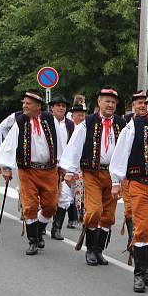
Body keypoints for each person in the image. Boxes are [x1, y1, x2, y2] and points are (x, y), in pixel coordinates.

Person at [110, 84, 148, 293]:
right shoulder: (134, 126)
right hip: (140, 184)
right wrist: (116, 182)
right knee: (143, 228)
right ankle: (138, 274)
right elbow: (120, 154)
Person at [0, 89, 66, 255]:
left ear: (38, 106)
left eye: (28, 103)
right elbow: (9, 145)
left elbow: (60, 142)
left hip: (49, 170)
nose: (24, 106)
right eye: (24, 103)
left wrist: (62, 164)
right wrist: (6, 168)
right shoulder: (20, 122)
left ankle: (38, 230)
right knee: (30, 206)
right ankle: (33, 240)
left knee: (50, 206)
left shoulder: (50, 119)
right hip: (27, 170)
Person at [62, 87, 124, 266]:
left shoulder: (122, 124)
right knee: (94, 211)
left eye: (113, 102)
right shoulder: (87, 123)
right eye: (107, 101)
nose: (110, 105)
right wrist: (70, 171)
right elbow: (75, 147)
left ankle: (99, 250)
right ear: (99, 102)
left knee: (108, 216)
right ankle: (90, 248)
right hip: (92, 173)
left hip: (113, 175)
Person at [119, 89, 148, 256]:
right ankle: (133, 242)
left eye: (145, 102)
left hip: (146, 178)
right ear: (133, 105)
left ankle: (138, 243)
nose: (142, 105)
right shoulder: (125, 124)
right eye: (138, 102)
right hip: (128, 176)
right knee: (130, 209)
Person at [48, 93, 74, 240]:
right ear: (52, 107)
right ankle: (39, 229)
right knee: (47, 198)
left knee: (64, 198)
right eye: (58, 105)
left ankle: (56, 228)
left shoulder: (70, 125)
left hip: (64, 166)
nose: (61, 108)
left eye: (63, 106)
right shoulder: (46, 121)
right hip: (48, 166)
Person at [67, 103, 87, 228]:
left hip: (81, 164)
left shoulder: (85, 127)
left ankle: (79, 213)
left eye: (83, 115)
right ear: (73, 115)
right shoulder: (69, 126)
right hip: (67, 163)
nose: (81, 117)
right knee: (67, 193)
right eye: (79, 115)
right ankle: (71, 216)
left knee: (80, 190)